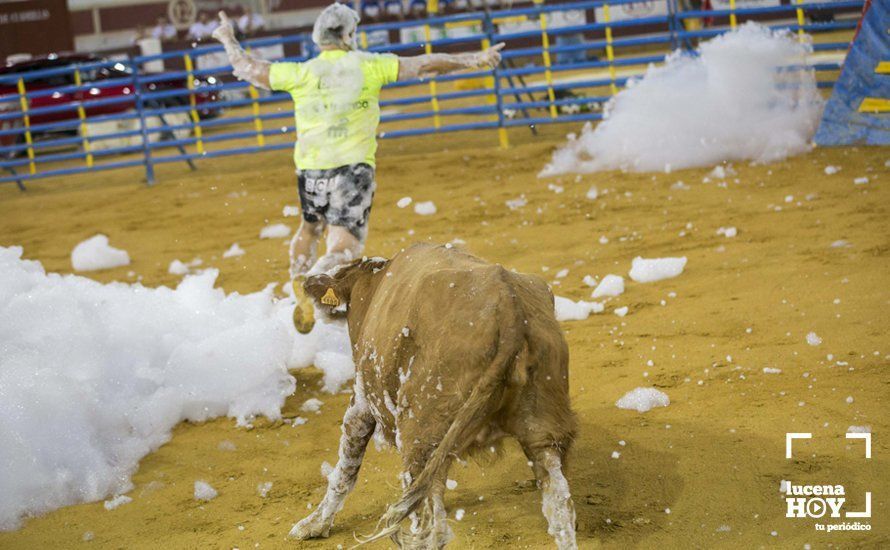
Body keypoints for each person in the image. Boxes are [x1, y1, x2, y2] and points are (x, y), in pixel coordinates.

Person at [211, 3, 504, 333]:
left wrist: (227, 39)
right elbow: (425, 64)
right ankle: (313, 286)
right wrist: (474, 59)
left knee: (309, 229)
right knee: (343, 246)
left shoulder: (301, 72)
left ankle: (298, 284)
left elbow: (249, 68)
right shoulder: (369, 66)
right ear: (348, 34)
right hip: (352, 170)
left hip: (310, 169)